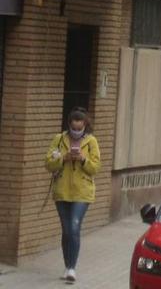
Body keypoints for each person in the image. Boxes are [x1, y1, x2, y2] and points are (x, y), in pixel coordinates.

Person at [45, 107, 101, 284]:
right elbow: (48, 164)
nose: (77, 132)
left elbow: (95, 167)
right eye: (74, 129)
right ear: (69, 125)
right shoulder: (59, 139)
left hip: (82, 192)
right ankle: (67, 264)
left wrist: (83, 159)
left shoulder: (91, 141)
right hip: (62, 190)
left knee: (75, 226)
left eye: (80, 129)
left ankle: (72, 268)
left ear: (85, 125)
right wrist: (63, 158)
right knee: (66, 230)